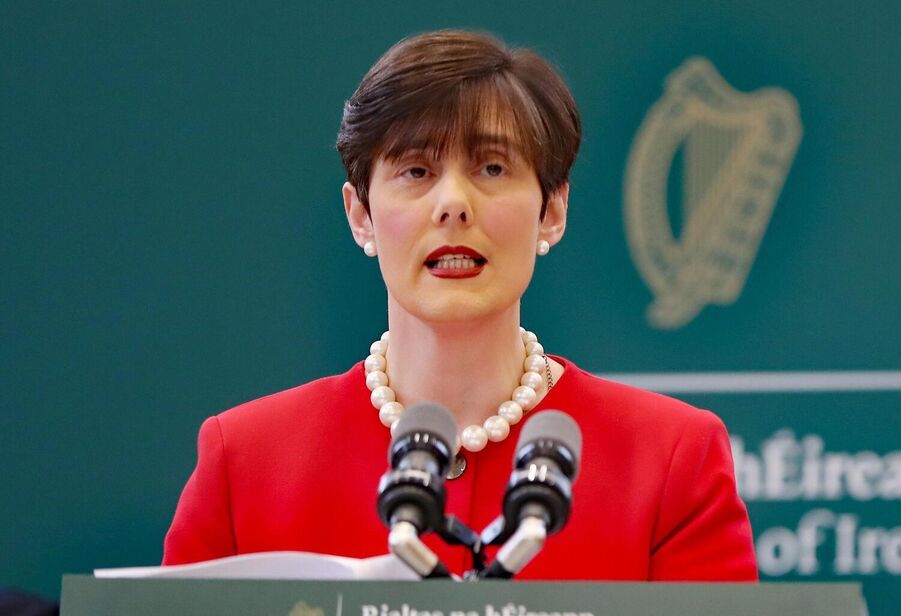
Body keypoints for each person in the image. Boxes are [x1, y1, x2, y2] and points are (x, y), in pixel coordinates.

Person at [163, 29, 756, 581]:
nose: (453, 203)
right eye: (416, 170)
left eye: (492, 167)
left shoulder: (671, 458)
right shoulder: (245, 462)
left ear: (552, 211)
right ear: (360, 215)